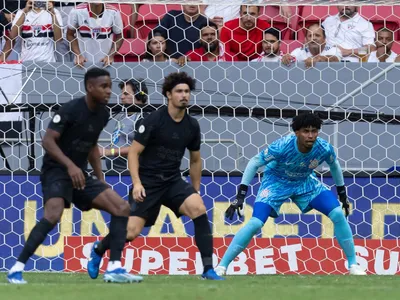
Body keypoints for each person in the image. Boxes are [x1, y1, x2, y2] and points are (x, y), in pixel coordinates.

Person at [7, 68, 143, 284]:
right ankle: (17, 267)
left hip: (81, 174)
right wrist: (70, 166)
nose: (109, 91)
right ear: (90, 87)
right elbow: (48, 141)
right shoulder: (70, 109)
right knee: (53, 216)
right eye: (104, 86)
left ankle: (114, 267)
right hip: (57, 172)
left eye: (109, 86)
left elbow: (92, 147)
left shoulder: (103, 114)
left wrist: (100, 178)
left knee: (121, 208)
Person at [87, 72, 224, 281]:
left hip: (173, 181)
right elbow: (133, 152)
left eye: (187, 91)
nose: (184, 95)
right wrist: (137, 184)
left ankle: (208, 269)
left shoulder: (192, 126)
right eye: (179, 91)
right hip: (148, 183)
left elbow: (195, 160)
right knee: (131, 232)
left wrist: (195, 189)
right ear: (168, 94)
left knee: (198, 208)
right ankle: (99, 249)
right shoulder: (154, 120)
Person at [214, 112, 367, 276]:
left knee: (337, 213)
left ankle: (353, 265)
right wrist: (241, 195)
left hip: (304, 182)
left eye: (314, 131)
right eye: (305, 131)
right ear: (296, 132)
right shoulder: (282, 146)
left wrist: (342, 195)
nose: (310, 135)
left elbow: (335, 165)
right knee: (256, 223)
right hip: (276, 183)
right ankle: (222, 267)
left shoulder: (323, 148)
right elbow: (254, 163)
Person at [102, 78, 149, 173]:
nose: (121, 97)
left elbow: (142, 147)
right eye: (122, 93)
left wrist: (109, 152)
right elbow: (119, 143)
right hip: (116, 172)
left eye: (126, 94)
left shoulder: (142, 117)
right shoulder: (122, 116)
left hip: (131, 174)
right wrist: (102, 151)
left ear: (139, 95)